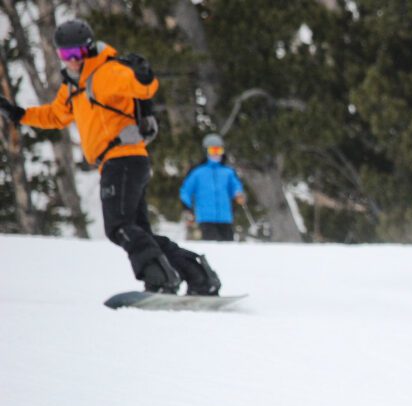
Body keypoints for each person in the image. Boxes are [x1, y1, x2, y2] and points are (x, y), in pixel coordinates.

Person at [0, 19, 220, 295]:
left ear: (89, 50)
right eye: (64, 55)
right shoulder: (73, 87)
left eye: (76, 54)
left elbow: (143, 88)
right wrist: (20, 115)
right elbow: (56, 115)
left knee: (119, 226)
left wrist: (144, 75)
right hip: (120, 163)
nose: (71, 61)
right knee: (139, 232)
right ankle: (199, 277)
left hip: (123, 159)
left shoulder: (108, 72)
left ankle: (161, 279)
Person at [180, 134, 246, 242]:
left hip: (225, 217)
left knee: (228, 247)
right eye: (212, 150)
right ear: (206, 152)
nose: (216, 154)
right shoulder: (197, 173)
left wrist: (238, 194)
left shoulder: (227, 172)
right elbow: (185, 191)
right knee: (212, 246)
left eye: (219, 150)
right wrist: (187, 209)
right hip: (205, 217)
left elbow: (235, 187)